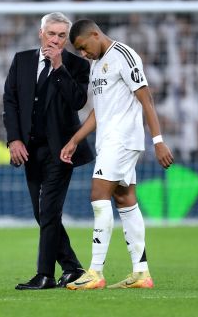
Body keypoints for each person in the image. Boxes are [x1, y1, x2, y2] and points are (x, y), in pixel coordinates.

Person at [60, 19, 174, 290]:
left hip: (122, 139)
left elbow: (146, 98)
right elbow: (100, 111)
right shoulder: (96, 64)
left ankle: (95, 271)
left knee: (98, 195)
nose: (83, 54)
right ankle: (141, 273)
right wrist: (75, 139)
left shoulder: (123, 55)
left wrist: (158, 141)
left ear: (94, 34)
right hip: (109, 140)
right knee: (124, 199)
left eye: (83, 47)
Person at [3, 12, 93, 290]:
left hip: (61, 150)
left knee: (49, 211)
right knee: (41, 213)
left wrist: (59, 68)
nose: (55, 39)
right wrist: (14, 140)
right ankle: (73, 268)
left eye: (61, 35)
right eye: (51, 33)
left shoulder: (77, 65)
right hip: (29, 149)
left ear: (67, 38)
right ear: (40, 33)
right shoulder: (22, 60)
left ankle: (45, 275)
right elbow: (11, 101)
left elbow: (78, 101)